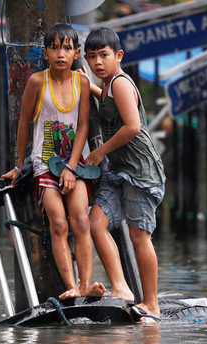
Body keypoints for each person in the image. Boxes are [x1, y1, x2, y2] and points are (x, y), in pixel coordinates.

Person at [2, 23, 106, 300]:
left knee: (81, 221)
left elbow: (83, 125)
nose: (61, 54)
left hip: (75, 164)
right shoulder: (37, 81)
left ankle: (86, 286)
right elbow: (24, 123)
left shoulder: (81, 82)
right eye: (55, 48)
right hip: (45, 164)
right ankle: (71, 286)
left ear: (76, 54)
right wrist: (18, 164)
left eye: (67, 48)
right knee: (58, 223)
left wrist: (72, 167)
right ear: (45, 52)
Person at [81, 27, 166, 322]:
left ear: (118, 56)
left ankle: (152, 303)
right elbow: (104, 101)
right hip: (119, 173)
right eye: (91, 57)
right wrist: (85, 83)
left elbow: (132, 126)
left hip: (140, 171)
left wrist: (100, 151)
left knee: (139, 235)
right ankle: (122, 287)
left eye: (103, 55)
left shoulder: (120, 83)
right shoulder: (105, 86)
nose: (97, 63)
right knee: (95, 222)